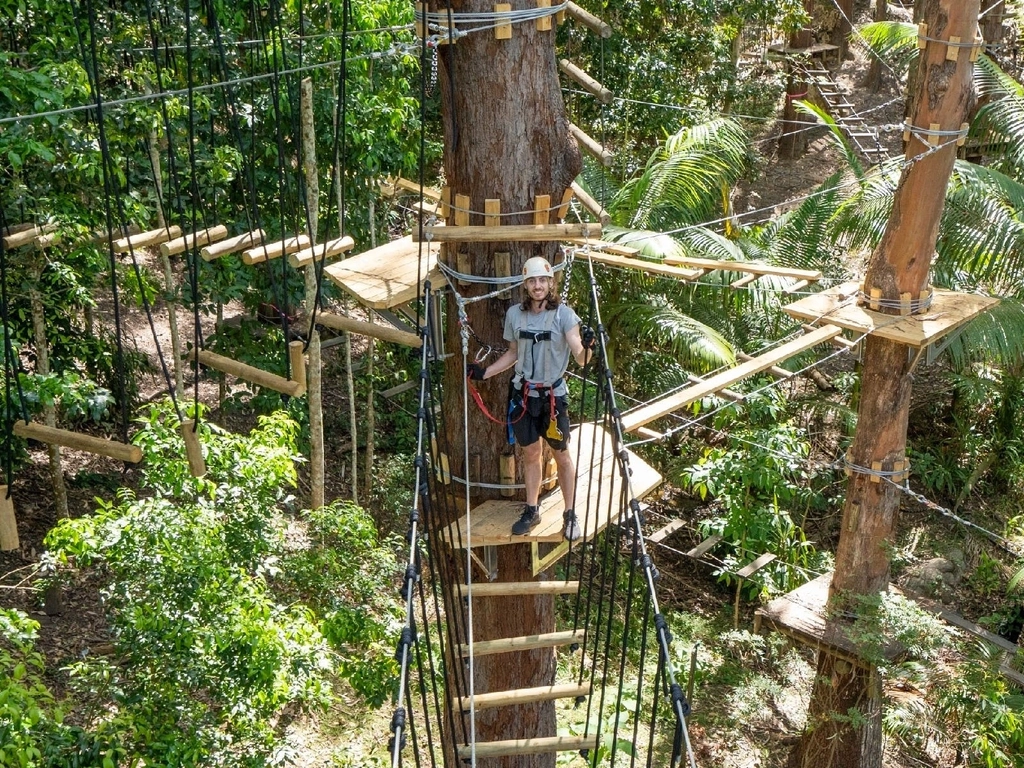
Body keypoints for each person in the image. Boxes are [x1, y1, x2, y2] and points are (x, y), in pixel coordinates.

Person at [466, 255, 595, 541]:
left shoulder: (564, 315)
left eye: (543, 280)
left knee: (562, 455)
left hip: (552, 398)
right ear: (526, 285)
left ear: (551, 283)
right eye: (532, 281)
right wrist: (484, 373)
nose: (538, 286)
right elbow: (513, 353)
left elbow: (580, 355)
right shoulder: (515, 315)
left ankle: (570, 513)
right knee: (531, 453)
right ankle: (532, 508)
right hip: (524, 395)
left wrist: (588, 345)